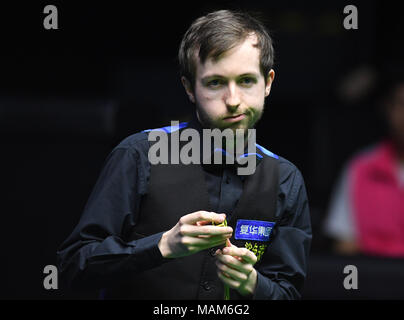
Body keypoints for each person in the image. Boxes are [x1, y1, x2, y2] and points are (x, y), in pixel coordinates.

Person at [57, 9, 312, 300]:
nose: (232, 101)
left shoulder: (285, 179)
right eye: (215, 83)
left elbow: (288, 293)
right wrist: (162, 246)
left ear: (267, 83)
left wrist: (254, 284)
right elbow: (73, 266)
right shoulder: (141, 155)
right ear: (189, 88)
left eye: (245, 81)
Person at [323, 67, 404, 257]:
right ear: (388, 109)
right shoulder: (360, 167)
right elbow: (344, 244)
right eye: (402, 105)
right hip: (375, 281)